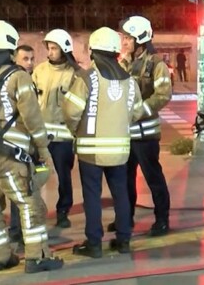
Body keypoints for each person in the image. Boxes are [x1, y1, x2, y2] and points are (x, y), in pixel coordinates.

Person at [0, 20, 63, 273]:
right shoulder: (18, 76)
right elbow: (32, 118)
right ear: (9, 47)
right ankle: (37, 257)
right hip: (9, 158)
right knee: (30, 203)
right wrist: (43, 150)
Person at [64, 27, 144, 258]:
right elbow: (136, 112)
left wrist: (75, 131)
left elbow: (71, 112)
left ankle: (94, 243)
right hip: (120, 151)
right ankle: (124, 241)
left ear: (92, 51)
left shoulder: (86, 77)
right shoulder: (130, 81)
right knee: (121, 194)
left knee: (92, 196)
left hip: (91, 151)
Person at [113, 15, 172, 237]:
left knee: (153, 178)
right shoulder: (121, 62)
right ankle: (125, 218)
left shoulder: (156, 64)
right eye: (122, 37)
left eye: (127, 38)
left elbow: (163, 95)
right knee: (125, 179)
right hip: (125, 134)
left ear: (140, 39)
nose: (124, 42)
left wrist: (138, 112)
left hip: (146, 135)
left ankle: (162, 219)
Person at [32, 29, 79, 229]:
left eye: (54, 48)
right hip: (41, 138)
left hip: (63, 139)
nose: (49, 52)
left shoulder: (74, 74)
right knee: (38, 173)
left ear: (65, 50)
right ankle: (35, 210)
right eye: (48, 48)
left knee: (64, 177)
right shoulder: (39, 71)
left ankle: (63, 211)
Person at [7, 44, 37, 244]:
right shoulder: (19, 80)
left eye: (32, 58)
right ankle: (22, 231)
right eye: (25, 58)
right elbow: (31, 116)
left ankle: (17, 229)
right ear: (14, 58)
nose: (30, 63)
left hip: (14, 144)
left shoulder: (16, 78)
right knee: (23, 190)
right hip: (18, 144)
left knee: (19, 190)